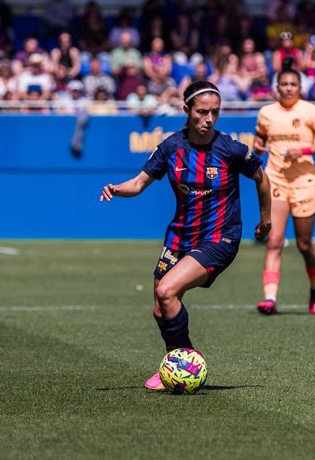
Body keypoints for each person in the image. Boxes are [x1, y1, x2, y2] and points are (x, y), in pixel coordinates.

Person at [99, 81, 272, 391]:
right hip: (179, 237)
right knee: (160, 306)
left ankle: (187, 361)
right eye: (202, 112)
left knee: (167, 291)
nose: (209, 119)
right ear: (187, 111)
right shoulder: (171, 147)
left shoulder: (229, 148)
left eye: (215, 113)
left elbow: (261, 177)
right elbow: (138, 183)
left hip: (220, 237)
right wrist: (116, 189)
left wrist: (266, 219)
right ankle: (177, 364)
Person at [254, 66, 315, 315]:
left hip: (304, 182)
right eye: (284, 84)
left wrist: (303, 150)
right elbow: (259, 141)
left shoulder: (310, 111)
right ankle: (269, 298)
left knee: (304, 244)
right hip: (276, 180)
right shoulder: (266, 113)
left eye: (293, 84)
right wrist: (258, 147)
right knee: (274, 241)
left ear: (300, 88)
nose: (288, 88)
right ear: (276, 87)